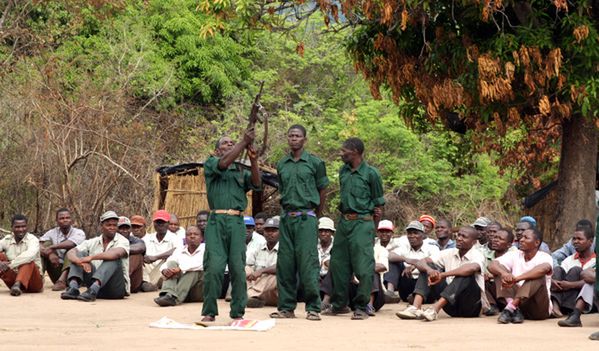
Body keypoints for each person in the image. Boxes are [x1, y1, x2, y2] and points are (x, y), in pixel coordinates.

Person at [201, 128, 261, 322]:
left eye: (232, 143)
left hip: (236, 221)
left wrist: (253, 160)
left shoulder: (240, 170)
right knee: (214, 268)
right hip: (216, 221)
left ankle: (237, 312)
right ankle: (209, 311)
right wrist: (243, 142)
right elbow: (224, 163)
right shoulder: (211, 164)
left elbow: (257, 183)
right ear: (217, 151)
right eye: (226, 143)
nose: (230, 145)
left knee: (237, 268)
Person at [271, 124, 329, 321]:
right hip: (287, 218)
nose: (293, 138)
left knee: (308, 264)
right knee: (285, 263)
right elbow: (282, 188)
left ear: (305, 140)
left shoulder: (315, 162)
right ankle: (286, 307)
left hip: (307, 218)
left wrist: (315, 214)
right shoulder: (282, 164)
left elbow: (323, 190)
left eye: (297, 136)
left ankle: (313, 307)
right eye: (290, 136)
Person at [324, 137, 384, 320]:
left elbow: (379, 204)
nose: (341, 154)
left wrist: (373, 229)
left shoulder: (371, 174)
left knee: (363, 266)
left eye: (344, 151)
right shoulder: (343, 171)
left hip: (362, 222)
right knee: (338, 263)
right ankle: (339, 304)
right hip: (344, 222)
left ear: (356, 152)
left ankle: (362, 306)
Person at [396, 226, 485, 321]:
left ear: (474, 242)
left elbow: (471, 268)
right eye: (458, 235)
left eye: (464, 236)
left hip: (470, 307)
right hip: (450, 306)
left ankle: (434, 309)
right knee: (428, 267)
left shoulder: (478, 254)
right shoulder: (449, 253)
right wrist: (430, 271)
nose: (459, 238)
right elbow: (422, 261)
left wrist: (442, 275)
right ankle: (415, 308)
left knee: (465, 274)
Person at [61, 211, 129, 301]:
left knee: (113, 258)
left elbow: (116, 253)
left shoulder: (122, 240)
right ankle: (73, 288)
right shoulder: (93, 241)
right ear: (101, 226)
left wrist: (91, 258)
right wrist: (79, 261)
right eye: (108, 225)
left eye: (114, 225)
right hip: (94, 288)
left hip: (115, 289)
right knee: (79, 254)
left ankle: (94, 289)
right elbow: (71, 252)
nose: (112, 228)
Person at [489, 228, 553, 323]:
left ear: (536, 243)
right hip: (520, 308)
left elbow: (544, 269)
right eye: (521, 237)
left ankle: (510, 308)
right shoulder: (514, 255)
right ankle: (513, 308)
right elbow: (492, 265)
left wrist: (517, 279)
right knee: (499, 271)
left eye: (526, 238)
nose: (521, 240)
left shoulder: (544, 257)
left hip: (537, 308)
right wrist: (504, 274)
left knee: (537, 275)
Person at [385, 221, 440, 303]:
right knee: (394, 261)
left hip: (426, 287)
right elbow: (390, 256)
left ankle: (416, 297)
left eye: (415, 233)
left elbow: (433, 261)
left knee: (429, 266)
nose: (412, 236)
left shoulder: (432, 248)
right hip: (407, 285)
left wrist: (415, 265)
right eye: (409, 233)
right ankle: (390, 292)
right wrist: (408, 260)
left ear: (423, 235)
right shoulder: (404, 247)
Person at [154, 225, 205, 306]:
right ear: (185, 238)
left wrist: (180, 269)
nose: (192, 236)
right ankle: (167, 294)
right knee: (171, 264)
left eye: (196, 234)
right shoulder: (180, 249)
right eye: (189, 234)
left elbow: (201, 264)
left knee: (193, 271)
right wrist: (165, 270)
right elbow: (168, 261)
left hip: (199, 291)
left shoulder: (206, 249)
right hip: (183, 290)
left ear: (202, 238)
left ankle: (174, 299)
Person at [551, 225, 595, 317]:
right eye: (574, 239)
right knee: (558, 269)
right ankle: (555, 306)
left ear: (590, 242)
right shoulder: (569, 259)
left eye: (579, 239)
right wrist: (554, 281)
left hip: (585, 300)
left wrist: (570, 285)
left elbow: (594, 282)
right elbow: (561, 278)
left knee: (576, 270)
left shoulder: (595, 261)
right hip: (564, 295)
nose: (575, 242)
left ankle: (570, 309)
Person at [39, 208, 86, 291]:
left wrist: (52, 247)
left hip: (74, 273)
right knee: (45, 244)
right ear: (57, 220)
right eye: (62, 218)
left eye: (67, 218)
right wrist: (50, 254)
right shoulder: (52, 232)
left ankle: (62, 281)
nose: (65, 220)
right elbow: (39, 245)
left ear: (71, 220)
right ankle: (39, 278)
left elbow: (71, 243)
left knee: (72, 249)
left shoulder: (79, 233)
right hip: (56, 269)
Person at [0, 214, 43, 296]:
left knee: (28, 261)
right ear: (12, 228)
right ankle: (16, 286)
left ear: (27, 227)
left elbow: (29, 256)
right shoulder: (7, 240)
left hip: (33, 282)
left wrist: (10, 265)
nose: (21, 229)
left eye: (23, 226)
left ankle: (18, 284)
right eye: (17, 227)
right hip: (13, 279)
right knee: (1, 256)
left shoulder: (33, 240)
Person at [141, 210, 181, 292]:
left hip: (162, 270)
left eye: (163, 222)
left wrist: (156, 257)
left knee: (170, 260)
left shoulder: (175, 237)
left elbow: (177, 250)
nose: (160, 224)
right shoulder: (147, 238)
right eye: (158, 222)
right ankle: (147, 283)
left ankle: (149, 283)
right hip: (150, 270)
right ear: (154, 223)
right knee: (139, 258)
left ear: (168, 223)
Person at [246, 217, 280, 308]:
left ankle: (249, 295)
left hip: (276, 294)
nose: (270, 233)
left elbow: (281, 267)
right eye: (267, 230)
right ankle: (253, 297)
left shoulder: (285, 248)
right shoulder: (259, 247)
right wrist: (252, 273)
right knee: (244, 269)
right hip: (260, 288)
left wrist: (261, 271)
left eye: (274, 230)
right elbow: (249, 265)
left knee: (274, 276)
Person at [484, 229, 517, 316]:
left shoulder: (514, 256)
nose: (495, 240)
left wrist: (492, 275)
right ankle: (492, 305)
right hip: (493, 290)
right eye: (494, 237)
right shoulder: (486, 255)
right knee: (479, 279)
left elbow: (513, 276)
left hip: (509, 290)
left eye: (500, 238)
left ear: (509, 245)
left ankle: (510, 305)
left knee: (499, 275)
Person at [118, 216, 146, 293]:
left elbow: (141, 247)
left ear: (130, 230)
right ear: (116, 229)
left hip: (132, 281)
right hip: (114, 277)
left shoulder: (136, 240)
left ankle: (123, 281)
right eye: (121, 228)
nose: (124, 230)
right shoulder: (111, 240)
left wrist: (118, 251)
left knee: (137, 255)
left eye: (127, 228)